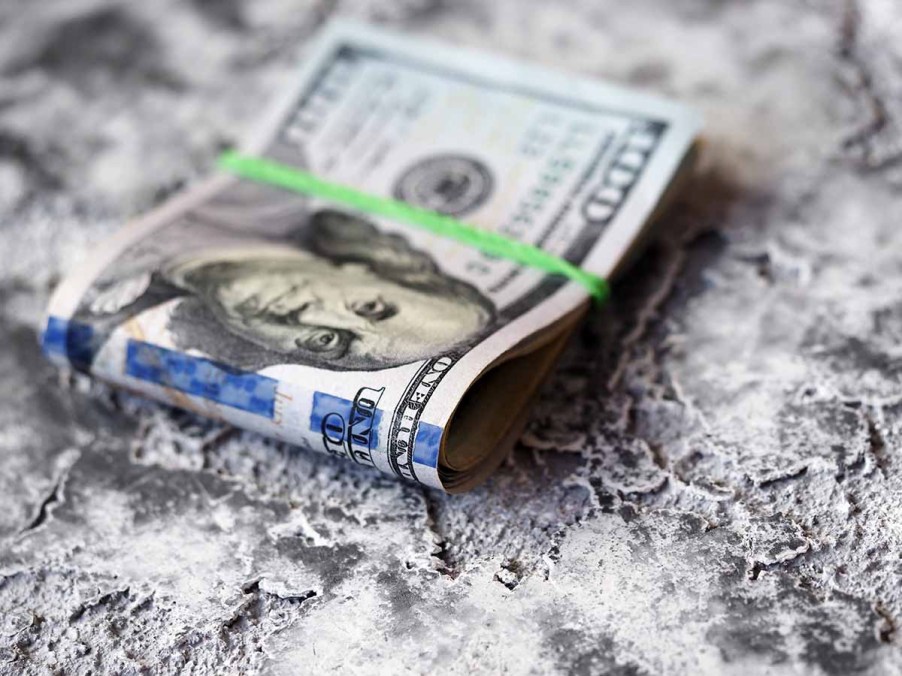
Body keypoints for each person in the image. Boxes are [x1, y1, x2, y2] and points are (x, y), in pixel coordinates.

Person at [77, 205, 496, 372]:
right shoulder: (267, 195)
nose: (309, 315)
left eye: (327, 341)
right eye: (369, 306)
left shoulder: (101, 331)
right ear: (364, 269)